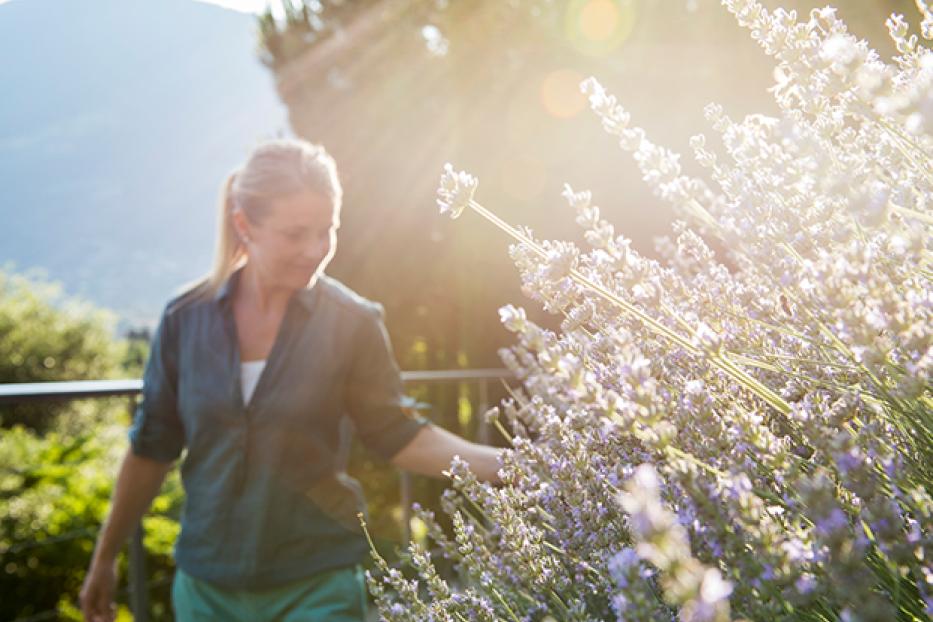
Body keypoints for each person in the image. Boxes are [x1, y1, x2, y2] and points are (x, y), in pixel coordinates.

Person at [79, 138, 504, 622]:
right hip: (205, 589)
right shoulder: (184, 319)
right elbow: (151, 448)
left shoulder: (353, 322)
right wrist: (104, 558)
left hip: (317, 584)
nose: (316, 250)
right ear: (245, 225)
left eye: (327, 231)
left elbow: (398, 434)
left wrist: (506, 465)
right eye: (296, 233)